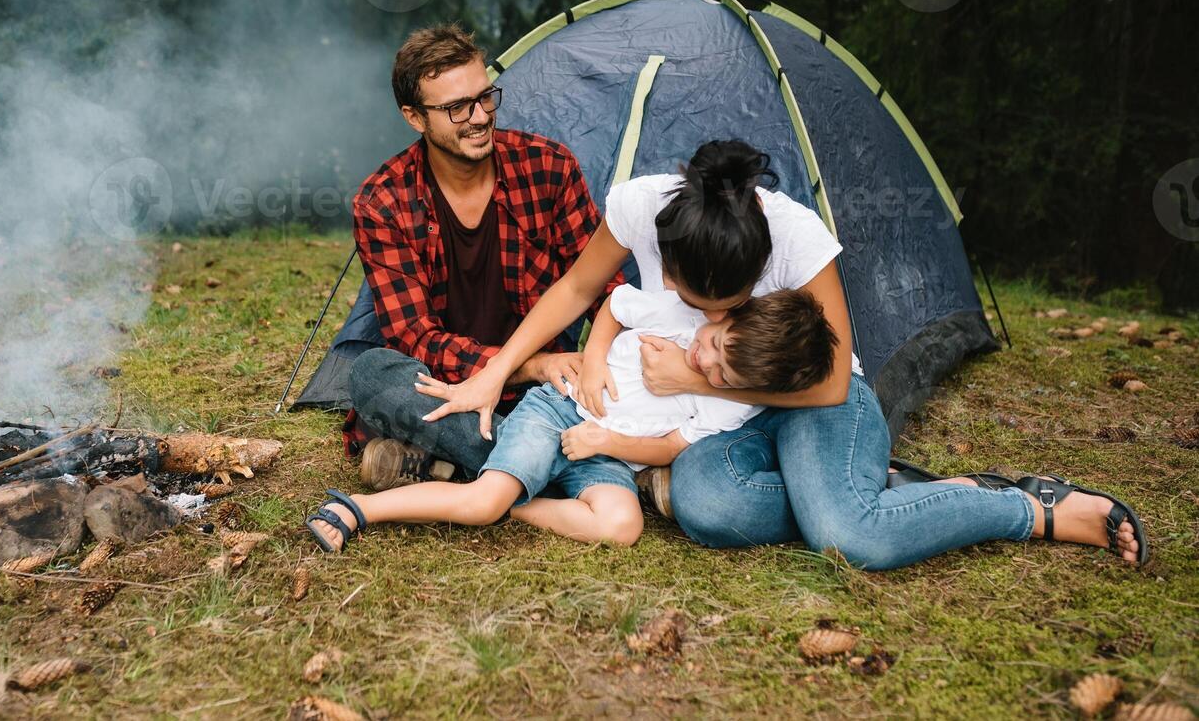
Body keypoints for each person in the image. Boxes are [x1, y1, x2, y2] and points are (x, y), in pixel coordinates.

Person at [412, 140, 1148, 570]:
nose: (702, 314)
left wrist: (686, 376)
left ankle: (1026, 508)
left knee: (849, 535)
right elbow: (578, 287)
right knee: (704, 507)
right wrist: (497, 371)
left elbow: (829, 382)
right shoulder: (644, 205)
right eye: (689, 295)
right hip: (706, 426)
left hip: (807, 405)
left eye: (721, 305)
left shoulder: (795, 236)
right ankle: (890, 490)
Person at [304, 285, 838, 552]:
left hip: (606, 450)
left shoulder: (735, 401)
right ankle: (361, 509)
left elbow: (673, 445)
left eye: (721, 373)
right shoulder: (679, 312)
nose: (705, 362)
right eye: (715, 345)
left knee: (623, 526)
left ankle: (510, 501)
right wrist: (597, 359)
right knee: (483, 502)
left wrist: (609, 440)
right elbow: (614, 307)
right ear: (728, 316)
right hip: (558, 411)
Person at [344, 24, 622, 490]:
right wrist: (526, 365)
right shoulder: (383, 202)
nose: (478, 117)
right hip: (454, 386)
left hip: (544, 392)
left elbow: (602, 287)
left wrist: (598, 359)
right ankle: (562, 461)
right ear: (415, 118)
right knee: (372, 375)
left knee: (620, 366)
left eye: (484, 97)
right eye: (456, 108)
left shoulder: (549, 167)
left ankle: (458, 467)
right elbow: (415, 338)